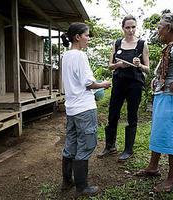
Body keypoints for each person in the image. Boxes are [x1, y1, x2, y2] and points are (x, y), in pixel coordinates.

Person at [135, 13, 173, 192]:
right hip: (164, 98)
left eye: (160, 26)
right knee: (159, 132)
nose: (158, 29)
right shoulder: (170, 47)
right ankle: (153, 167)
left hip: (171, 99)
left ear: (168, 28)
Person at [60, 22, 111, 196]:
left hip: (71, 108)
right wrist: (103, 84)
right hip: (84, 108)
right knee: (86, 144)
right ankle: (82, 187)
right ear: (77, 37)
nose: (88, 38)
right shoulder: (80, 56)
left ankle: (67, 181)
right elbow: (89, 84)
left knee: (71, 144)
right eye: (87, 35)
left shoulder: (65, 56)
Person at [97, 15, 150, 161]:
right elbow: (109, 66)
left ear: (136, 27)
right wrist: (118, 65)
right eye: (127, 27)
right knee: (113, 113)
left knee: (132, 115)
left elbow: (148, 69)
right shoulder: (117, 43)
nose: (131, 30)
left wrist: (139, 65)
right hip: (119, 82)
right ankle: (109, 146)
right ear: (123, 28)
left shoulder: (142, 44)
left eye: (133, 27)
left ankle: (128, 149)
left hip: (135, 84)